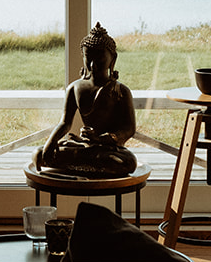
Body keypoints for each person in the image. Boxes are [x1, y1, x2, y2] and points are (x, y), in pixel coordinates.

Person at [34, 22, 138, 178]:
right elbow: (65, 123)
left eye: (100, 59)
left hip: (107, 149)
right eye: (88, 58)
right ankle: (86, 167)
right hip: (83, 146)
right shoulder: (75, 88)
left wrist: (101, 138)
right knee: (39, 154)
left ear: (112, 59)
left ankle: (77, 166)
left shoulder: (121, 91)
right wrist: (51, 142)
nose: (93, 64)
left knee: (126, 162)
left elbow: (129, 129)